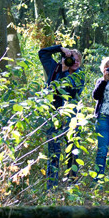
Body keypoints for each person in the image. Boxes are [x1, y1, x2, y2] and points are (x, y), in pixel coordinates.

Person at [38, 44, 85, 190]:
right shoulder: (54, 68)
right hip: (54, 117)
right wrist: (60, 49)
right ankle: (51, 187)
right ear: (64, 59)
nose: (75, 62)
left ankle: (72, 184)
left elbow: (65, 89)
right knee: (54, 153)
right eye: (72, 59)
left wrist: (64, 72)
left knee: (73, 152)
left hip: (72, 118)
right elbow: (42, 53)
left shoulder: (79, 76)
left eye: (78, 60)